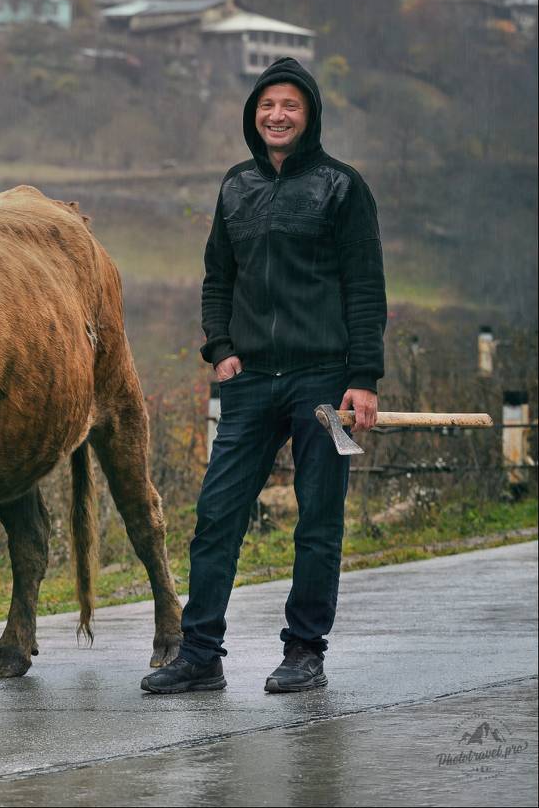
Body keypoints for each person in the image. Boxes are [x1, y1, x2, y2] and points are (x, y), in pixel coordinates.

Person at [142, 56, 386, 695]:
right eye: (267, 106)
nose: (278, 116)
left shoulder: (342, 187)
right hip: (250, 381)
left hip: (324, 384)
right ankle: (200, 653)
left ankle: (305, 649)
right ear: (254, 116)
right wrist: (219, 346)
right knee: (217, 512)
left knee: (318, 518)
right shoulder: (235, 186)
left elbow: (365, 287)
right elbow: (218, 277)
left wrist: (363, 376)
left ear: (310, 117)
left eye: (291, 106)